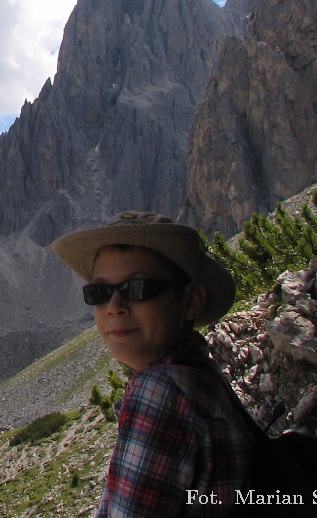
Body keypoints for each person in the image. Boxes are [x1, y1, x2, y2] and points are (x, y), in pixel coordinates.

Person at [52, 211, 254, 517]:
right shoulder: (198, 377)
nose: (115, 307)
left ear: (192, 301)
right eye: (99, 293)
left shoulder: (160, 391)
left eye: (139, 289)